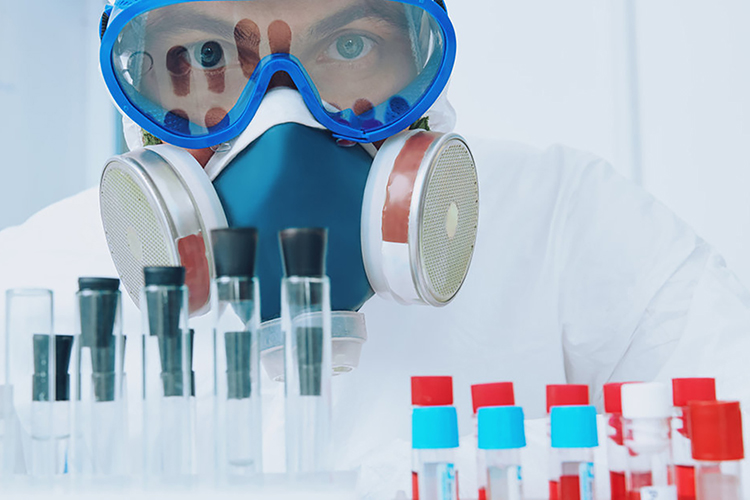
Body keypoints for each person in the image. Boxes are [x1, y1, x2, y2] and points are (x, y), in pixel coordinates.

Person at [0, 0, 749, 497]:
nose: (282, 120)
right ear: (142, 104)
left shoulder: (559, 217)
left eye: (350, 44)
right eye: (205, 52)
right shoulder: (37, 281)